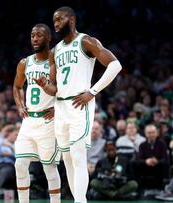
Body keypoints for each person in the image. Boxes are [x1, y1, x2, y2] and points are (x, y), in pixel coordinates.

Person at [34, 6, 122, 202]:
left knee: (78, 155)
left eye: (59, 20)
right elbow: (55, 88)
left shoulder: (86, 41)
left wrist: (92, 92)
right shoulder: (55, 51)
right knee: (67, 160)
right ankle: (79, 199)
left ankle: (80, 201)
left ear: (71, 20)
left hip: (79, 105)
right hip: (61, 106)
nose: (55, 24)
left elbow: (115, 65)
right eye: (54, 20)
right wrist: (44, 86)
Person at [13, 23, 61, 203]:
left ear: (48, 38)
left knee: (49, 167)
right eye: (33, 35)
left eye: (39, 35)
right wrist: (19, 105)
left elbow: (65, 88)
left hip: (49, 122)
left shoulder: (55, 61)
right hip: (29, 121)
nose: (34, 38)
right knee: (20, 164)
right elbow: (17, 86)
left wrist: (57, 108)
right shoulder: (25, 62)